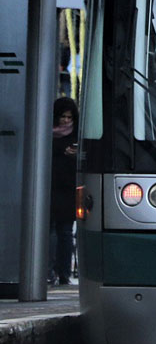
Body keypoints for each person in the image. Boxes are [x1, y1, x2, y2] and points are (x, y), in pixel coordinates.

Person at [49, 97, 78, 286]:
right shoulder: (47, 135)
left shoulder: (77, 138)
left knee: (65, 233)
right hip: (51, 190)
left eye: (69, 117)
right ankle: (51, 270)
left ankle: (63, 272)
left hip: (67, 191)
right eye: (62, 117)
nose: (66, 121)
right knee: (53, 232)